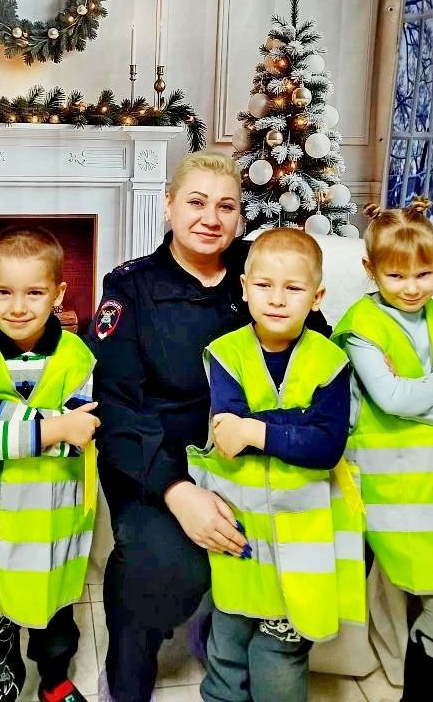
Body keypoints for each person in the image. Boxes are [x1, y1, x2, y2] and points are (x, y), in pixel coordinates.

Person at [87, 151, 331, 702]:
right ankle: (126, 676)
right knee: (164, 565)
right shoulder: (131, 288)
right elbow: (117, 409)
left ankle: (225, 630)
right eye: (196, 203)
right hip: (158, 459)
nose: (211, 219)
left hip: (249, 454)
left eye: (226, 206)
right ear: (169, 205)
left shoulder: (260, 268)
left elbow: (317, 342)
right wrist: (178, 492)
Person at [332, 198, 433, 702]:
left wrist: (414, 397)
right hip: (389, 488)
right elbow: (392, 399)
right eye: (396, 275)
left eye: (424, 274)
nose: (412, 288)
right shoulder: (362, 326)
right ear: (371, 270)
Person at [188, 228, 363, 702]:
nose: (278, 299)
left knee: (280, 656)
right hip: (241, 534)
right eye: (264, 285)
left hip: (304, 537)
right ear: (245, 289)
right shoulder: (227, 354)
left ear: (317, 297)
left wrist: (257, 429)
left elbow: (326, 446)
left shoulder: (331, 361)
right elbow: (229, 438)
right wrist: (298, 425)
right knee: (228, 642)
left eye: (294, 288)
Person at [0, 227, 99, 702]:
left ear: (58, 294)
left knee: (55, 618)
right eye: (3, 292)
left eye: (34, 293)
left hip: (54, 521)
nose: (17, 307)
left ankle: (55, 681)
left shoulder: (78, 357)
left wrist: (5, 415)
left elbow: (81, 437)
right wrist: (55, 425)